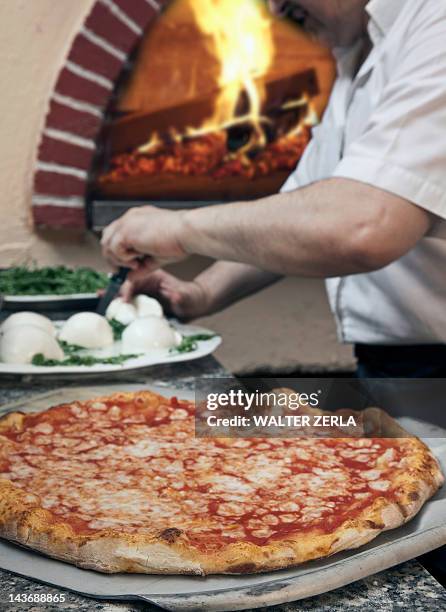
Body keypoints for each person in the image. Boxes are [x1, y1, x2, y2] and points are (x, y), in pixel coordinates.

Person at [101, 0, 446, 379]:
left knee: (217, 420)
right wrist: (200, 293)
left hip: (435, 369)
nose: (276, 8)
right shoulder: (361, 54)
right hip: (396, 368)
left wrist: (179, 229)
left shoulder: (436, 23)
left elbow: (362, 224)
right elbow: (298, 214)